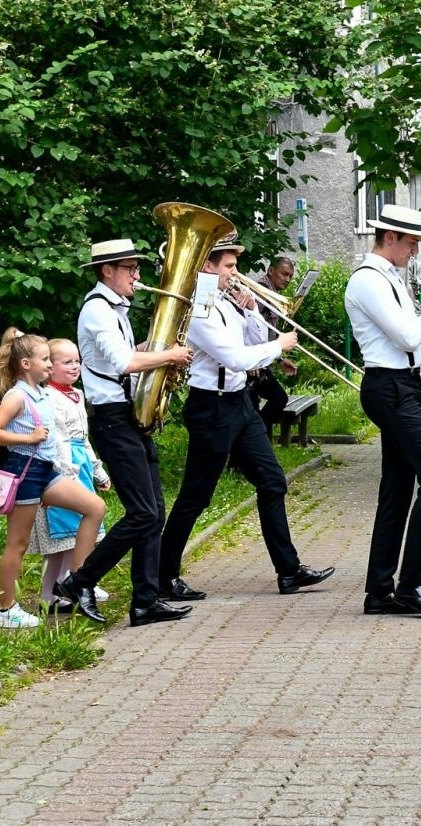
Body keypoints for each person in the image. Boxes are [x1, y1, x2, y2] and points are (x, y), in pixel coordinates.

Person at [158, 236, 333, 600]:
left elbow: (256, 349)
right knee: (196, 495)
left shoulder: (226, 302)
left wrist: (252, 311)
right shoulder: (199, 308)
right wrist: (279, 344)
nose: (236, 274)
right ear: (208, 267)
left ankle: (289, 571)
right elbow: (236, 357)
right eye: (229, 267)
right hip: (212, 407)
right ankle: (164, 575)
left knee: (272, 481)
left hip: (239, 403)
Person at [54, 239, 194, 627]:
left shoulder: (114, 308)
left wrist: (166, 344)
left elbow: (123, 353)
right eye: (129, 268)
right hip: (112, 419)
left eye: (136, 268)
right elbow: (125, 363)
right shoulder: (97, 310)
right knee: (143, 512)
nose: (137, 275)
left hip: (126, 416)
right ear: (107, 271)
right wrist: (169, 356)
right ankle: (80, 582)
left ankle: (145, 602)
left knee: (154, 512)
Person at [345, 204, 421, 616]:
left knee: (396, 490)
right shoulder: (368, 281)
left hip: (403, 384)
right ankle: (411, 585)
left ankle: (379, 592)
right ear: (389, 238)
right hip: (388, 387)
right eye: (412, 242)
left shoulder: (391, 278)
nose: (416, 250)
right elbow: (409, 332)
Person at [0, 329, 108, 629]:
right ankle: (6, 609)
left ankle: (77, 582)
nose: (50, 365)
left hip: (47, 472)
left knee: (94, 508)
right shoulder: (17, 396)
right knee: (18, 543)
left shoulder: (42, 393)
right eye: (44, 359)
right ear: (26, 364)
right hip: (25, 471)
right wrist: (29, 437)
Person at [30, 339, 113, 614]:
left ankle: (73, 581)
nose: (75, 366)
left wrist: (98, 470)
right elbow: (60, 441)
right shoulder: (50, 398)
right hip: (63, 466)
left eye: (77, 360)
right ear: (50, 367)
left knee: (78, 534)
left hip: (81, 463)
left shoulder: (76, 395)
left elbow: (83, 438)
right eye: (67, 362)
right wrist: (68, 476)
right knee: (62, 538)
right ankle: (52, 593)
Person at [250, 255, 298, 428]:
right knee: (279, 398)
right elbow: (251, 327)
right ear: (271, 271)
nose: (287, 279)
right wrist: (253, 360)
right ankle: (257, 434)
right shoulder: (262, 292)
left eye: (290, 276)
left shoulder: (272, 293)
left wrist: (279, 359)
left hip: (262, 361)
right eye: (284, 274)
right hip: (254, 364)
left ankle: (257, 438)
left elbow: (266, 333)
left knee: (256, 407)